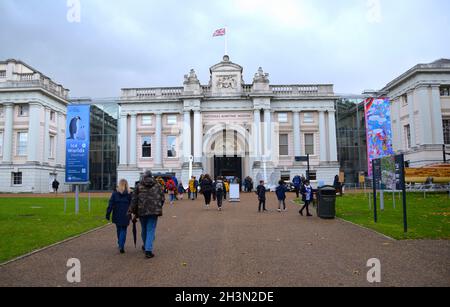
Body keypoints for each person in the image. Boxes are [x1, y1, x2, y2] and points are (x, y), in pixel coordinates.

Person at [129, 171, 165, 259]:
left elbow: (134, 200)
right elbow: (162, 198)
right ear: (151, 176)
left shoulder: (138, 186)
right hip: (154, 210)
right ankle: (148, 249)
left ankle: (146, 246)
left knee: (144, 229)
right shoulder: (158, 185)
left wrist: (132, 211)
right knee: (150, 229)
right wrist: (158, 206)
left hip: (142, 210)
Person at [106, 179, 132, 254]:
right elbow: (132, 204)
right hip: (126, 214)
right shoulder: (129, 193)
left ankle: (120, 243)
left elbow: (110, 204)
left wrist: (108, 213)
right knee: (123, 229)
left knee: (118, 229)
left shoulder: (115, 193)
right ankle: (121, 244)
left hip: (117, 213)